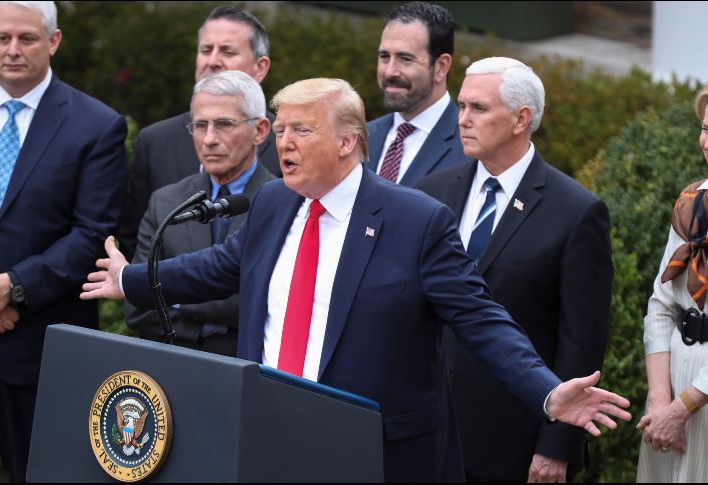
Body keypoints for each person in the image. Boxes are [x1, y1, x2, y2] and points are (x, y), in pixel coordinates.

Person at [81, 78, 631, 483]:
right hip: (268, 432)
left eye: (302, 130)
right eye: (282, 129)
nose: (284, 143)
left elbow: (482, 320)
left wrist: (546, 392)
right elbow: (221, 266)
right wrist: (131, 279)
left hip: (373, 451)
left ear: (347, 142)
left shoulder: (416, 221)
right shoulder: (274, 202)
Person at [0, 1, 127, 481]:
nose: (13, 50)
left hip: (41, 354)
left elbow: (92, 234)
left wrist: (12, 287)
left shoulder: (97, 125)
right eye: (3, 38)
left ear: (54, 41)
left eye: (27, 39)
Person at [417, 57, 613, 482]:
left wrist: (556, 446)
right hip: (426, 429)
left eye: (479, 108)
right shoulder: (431, 192)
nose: (462, 119)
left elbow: (581, 341)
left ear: (521, 119)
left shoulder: (576, 212)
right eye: (461, 106)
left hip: (513, 439)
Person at [125, 70, 276, 354]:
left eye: (224, 124)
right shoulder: (165, 201)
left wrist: (175, 299)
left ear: (260, 131)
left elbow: (271, 307)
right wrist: (220, 320)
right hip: (174, 365)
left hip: (248, 367)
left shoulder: (284, 204)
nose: (209, 139)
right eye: (200, 125)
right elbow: (137, 309)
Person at [118, 5, 279, 260]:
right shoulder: (156, 141)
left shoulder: (288, 142)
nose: (212, 61)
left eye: (227, 51)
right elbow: (136, 239)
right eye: (206, 50)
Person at [636, 86, 708, 482]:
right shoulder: (691, 203)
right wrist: (661, 403)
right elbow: (661, 305)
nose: (707, 141)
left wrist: (683, 409)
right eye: (706, 128)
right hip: (670, 385)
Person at [366, 1, 470, 188]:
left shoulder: (471, 147)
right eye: (384, 57)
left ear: (441, 67)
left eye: (405, 59)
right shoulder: (361, 137)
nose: (389, 72)